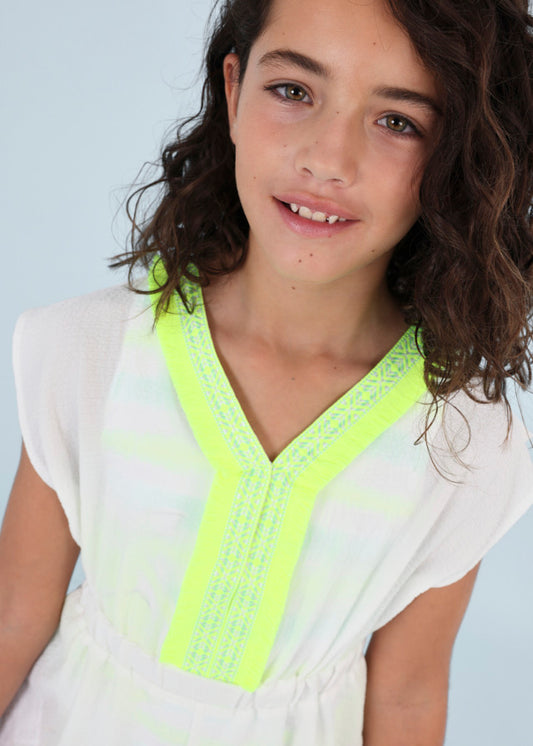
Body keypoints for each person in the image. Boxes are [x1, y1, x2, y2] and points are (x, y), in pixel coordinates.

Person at [0, 0, 532, 743]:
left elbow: (408, 697)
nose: (327, 160)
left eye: (397, 121)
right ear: (233, 90)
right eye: (293, 91)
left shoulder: (465, 443)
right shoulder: (93, 351)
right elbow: (15, 615)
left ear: (455, 154)